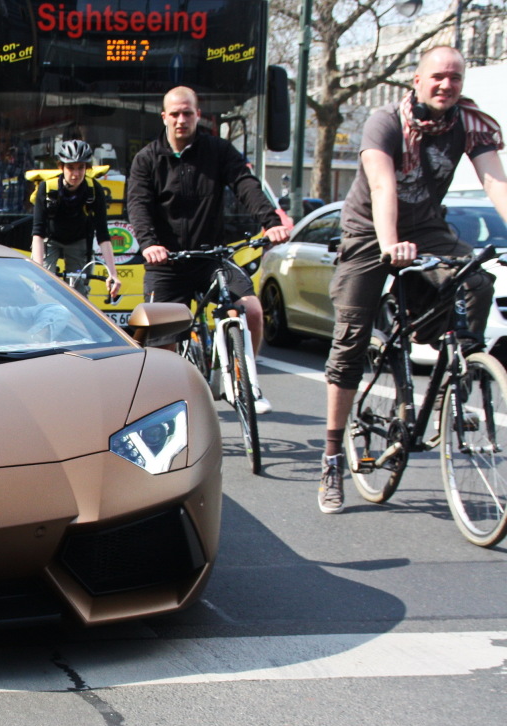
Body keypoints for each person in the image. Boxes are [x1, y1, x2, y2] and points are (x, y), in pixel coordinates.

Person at [316, 45, 507, 514]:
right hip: (369, 229)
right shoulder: (385, 120)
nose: (446, 85)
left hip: (426, 228)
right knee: (350, 343)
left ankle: (459, 365)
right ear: (417, 81)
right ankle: (333, 455)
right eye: (438, 76)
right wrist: (388, 242)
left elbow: (495, 182)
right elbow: (382, 186)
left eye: (456, 79)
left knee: (477, 280)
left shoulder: (469, 123)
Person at [127, 85, 290, 408]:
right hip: (167, 263)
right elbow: (138, 204)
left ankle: (246, 383)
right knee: (162, 344)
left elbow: (245, 185)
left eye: (188, 113)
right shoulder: (147, 160)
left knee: (253, 311)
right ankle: (167, 403)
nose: (181, 119)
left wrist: (271, 222)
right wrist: (149, 244)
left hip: (212, 257)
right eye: (174, 114)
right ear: (164, 117)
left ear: (198, 115)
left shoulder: (218, 150)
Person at [30, 139, 120, 303]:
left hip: (78, 241)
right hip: (50, 241)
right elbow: (38, 232)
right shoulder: (47, 188)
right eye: (70, 167)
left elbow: (103, 235)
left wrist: (113, 274)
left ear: (87, 168)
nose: (76, 174)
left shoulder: (94, 190)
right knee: (43, 288)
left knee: (79, 294)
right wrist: (39, 271)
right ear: (61, 167)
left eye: (81, 168)